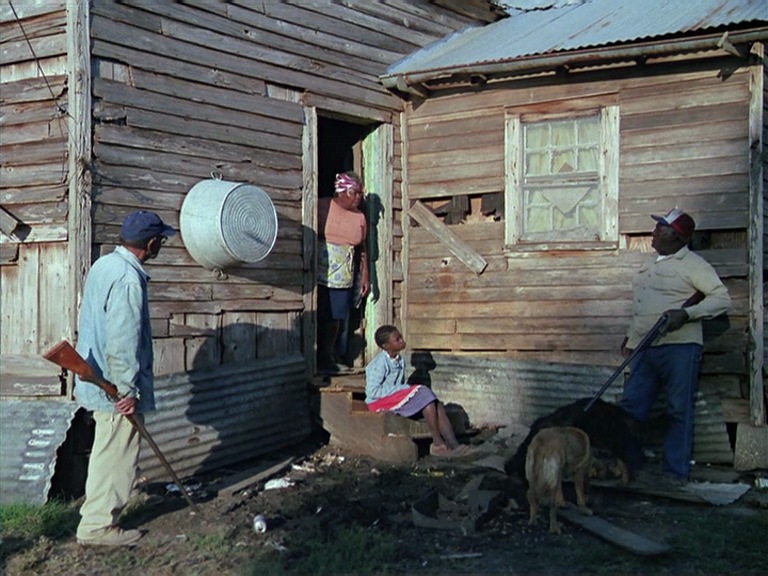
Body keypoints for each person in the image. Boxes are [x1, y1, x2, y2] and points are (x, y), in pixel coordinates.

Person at [74, 210, 176, 546]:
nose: (161, 244)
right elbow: (122, 340)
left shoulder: (105, 265)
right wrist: (127, 390)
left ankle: (98, 513)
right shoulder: (128, 279)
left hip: (100, 378)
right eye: (160, 240)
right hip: (114, 386)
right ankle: (98, 528)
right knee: (116, 455)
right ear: (151, 243)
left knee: (107, 450)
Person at [620, 208, 730, 487]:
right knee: (631, 408)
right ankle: (628, 467)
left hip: (679, 348)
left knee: (678, 409)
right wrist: (630, 338)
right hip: (644, 347)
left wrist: (686, 314)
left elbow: (721, 299)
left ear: (678, 236)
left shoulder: (694, 265)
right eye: (657, 226)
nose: (655, 231)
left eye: (662, 228)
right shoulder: (650, 264)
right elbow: (642, 305)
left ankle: (674, 473)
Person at [365, 325, 465, 457]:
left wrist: (401, 391)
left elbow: (399, 386)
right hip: (378, 403)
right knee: (424, 393)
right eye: (397, 339)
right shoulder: (379, 364)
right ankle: (438, 445)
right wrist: (401, 389)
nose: (402, 340)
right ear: (386, 346)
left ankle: (454, 445)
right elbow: (372, 392)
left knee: (435, 403)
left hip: (393, 399)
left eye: (400, 337)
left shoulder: (400, 361)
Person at [317, 172, 370, 373]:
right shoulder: (322, 207)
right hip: (318, 270)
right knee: (318, 313)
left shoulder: (359, 217)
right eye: (354, 192)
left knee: (336, 316)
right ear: (341, 191)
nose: (358, 197)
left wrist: (364, 275)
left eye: (360, 193)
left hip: (342, 274)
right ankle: (315, 356)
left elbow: (361, 248)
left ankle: (327, 356)